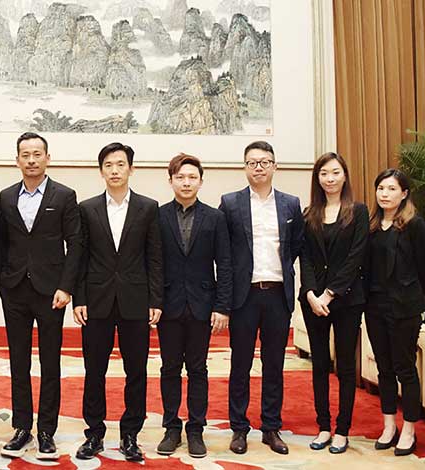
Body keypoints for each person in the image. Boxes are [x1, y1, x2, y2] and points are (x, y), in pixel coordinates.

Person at [73, 142, 162, 462]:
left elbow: (155, 257)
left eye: (120, 164)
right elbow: (80, 257)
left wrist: (156, 299)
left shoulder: (148, 207)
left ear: (131, 169)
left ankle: (130, 434)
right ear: (101, 171)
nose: (114, 170)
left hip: (135, 300)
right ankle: (94, 434)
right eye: (108, 165)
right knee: (94, 370)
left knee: (136, 370)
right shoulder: (87, 208)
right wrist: (79, 298)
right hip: (96, 301)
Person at [0, 132, 82, 460]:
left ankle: (47, 430)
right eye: (25, 154)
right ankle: (22, 427)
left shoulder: (64, 195)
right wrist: (1, 284)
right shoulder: (6, 197)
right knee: (18, 361)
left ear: (48, 158)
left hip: (51, 292)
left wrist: (66, 287)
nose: (31, 160)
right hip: (15, 290)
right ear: (17, 160)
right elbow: (0, 244)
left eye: (37, 154)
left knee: (50, 362)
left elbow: (75, 244)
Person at [219, 141, 303, 455]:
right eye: (252, 162)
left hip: (277, 295)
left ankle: (271, 428)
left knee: (274, 365)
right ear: (245, 167)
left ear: (274, 166)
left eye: (265, 162)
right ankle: (239, 428)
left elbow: (296, 246)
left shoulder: (290, 204)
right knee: (240, 364)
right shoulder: (230, 203)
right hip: (244, 296)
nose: (259, 167)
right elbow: (223, 254)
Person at [156, 153, 231, 458]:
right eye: (180, 177)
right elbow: (153, 264)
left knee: (198, 369)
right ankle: (171, 427)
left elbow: (224, 264)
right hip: (168, 305)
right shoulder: (158, 216)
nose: (186, 183)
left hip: (203, 305)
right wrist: (153, 302)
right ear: (170, 180)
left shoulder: (215, 218)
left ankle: (196, 429)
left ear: (201, 181)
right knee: (170, 368)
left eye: (192, 178)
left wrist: (222, 306)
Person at [299, 153, 368, 454]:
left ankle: (342, 430)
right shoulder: (309, 214)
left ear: (344, 175)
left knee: (345, 366)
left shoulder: (358, 211)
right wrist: (311, 294)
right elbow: (305, 257)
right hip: (313, 302)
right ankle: (324, 426)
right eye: (324, 173)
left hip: (347, 300)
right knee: (319, 365)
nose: (329, 178)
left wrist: (330, 293)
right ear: (317, 178)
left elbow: (356, 257)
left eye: (335, 172)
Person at [364, 168, 425, 457]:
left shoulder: (414, 225)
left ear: (404, 194)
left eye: (391, 189)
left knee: (405, 368)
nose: (385, 194)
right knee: (384, 368)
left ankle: (410, 429)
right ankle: (389, 425)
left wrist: (415, 298)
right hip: (375, 307)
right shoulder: (372, 225)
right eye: (381, 188)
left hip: (405, 308)